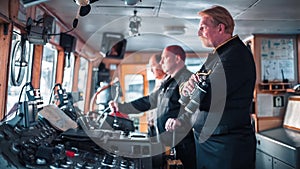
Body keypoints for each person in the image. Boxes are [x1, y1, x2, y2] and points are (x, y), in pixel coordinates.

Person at [165, 5, 256, 169]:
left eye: (203, 27)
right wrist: (188, 91)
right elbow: (189, 93)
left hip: (226, 146)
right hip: (212, 143)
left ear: (220, 28)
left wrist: (193, 90)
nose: (198, 33)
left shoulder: (234, 56)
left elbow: (207, 99)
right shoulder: (218, 55)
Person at [109, 45, 197, 169]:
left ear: (177, 59)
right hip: (166, 143)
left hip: (181, 144)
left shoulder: (187, 80)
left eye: (164, 58)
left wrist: (180, 120)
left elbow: (197, 108)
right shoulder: (168, 81)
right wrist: (121, 107)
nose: (161, 63)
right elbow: (148, 101)